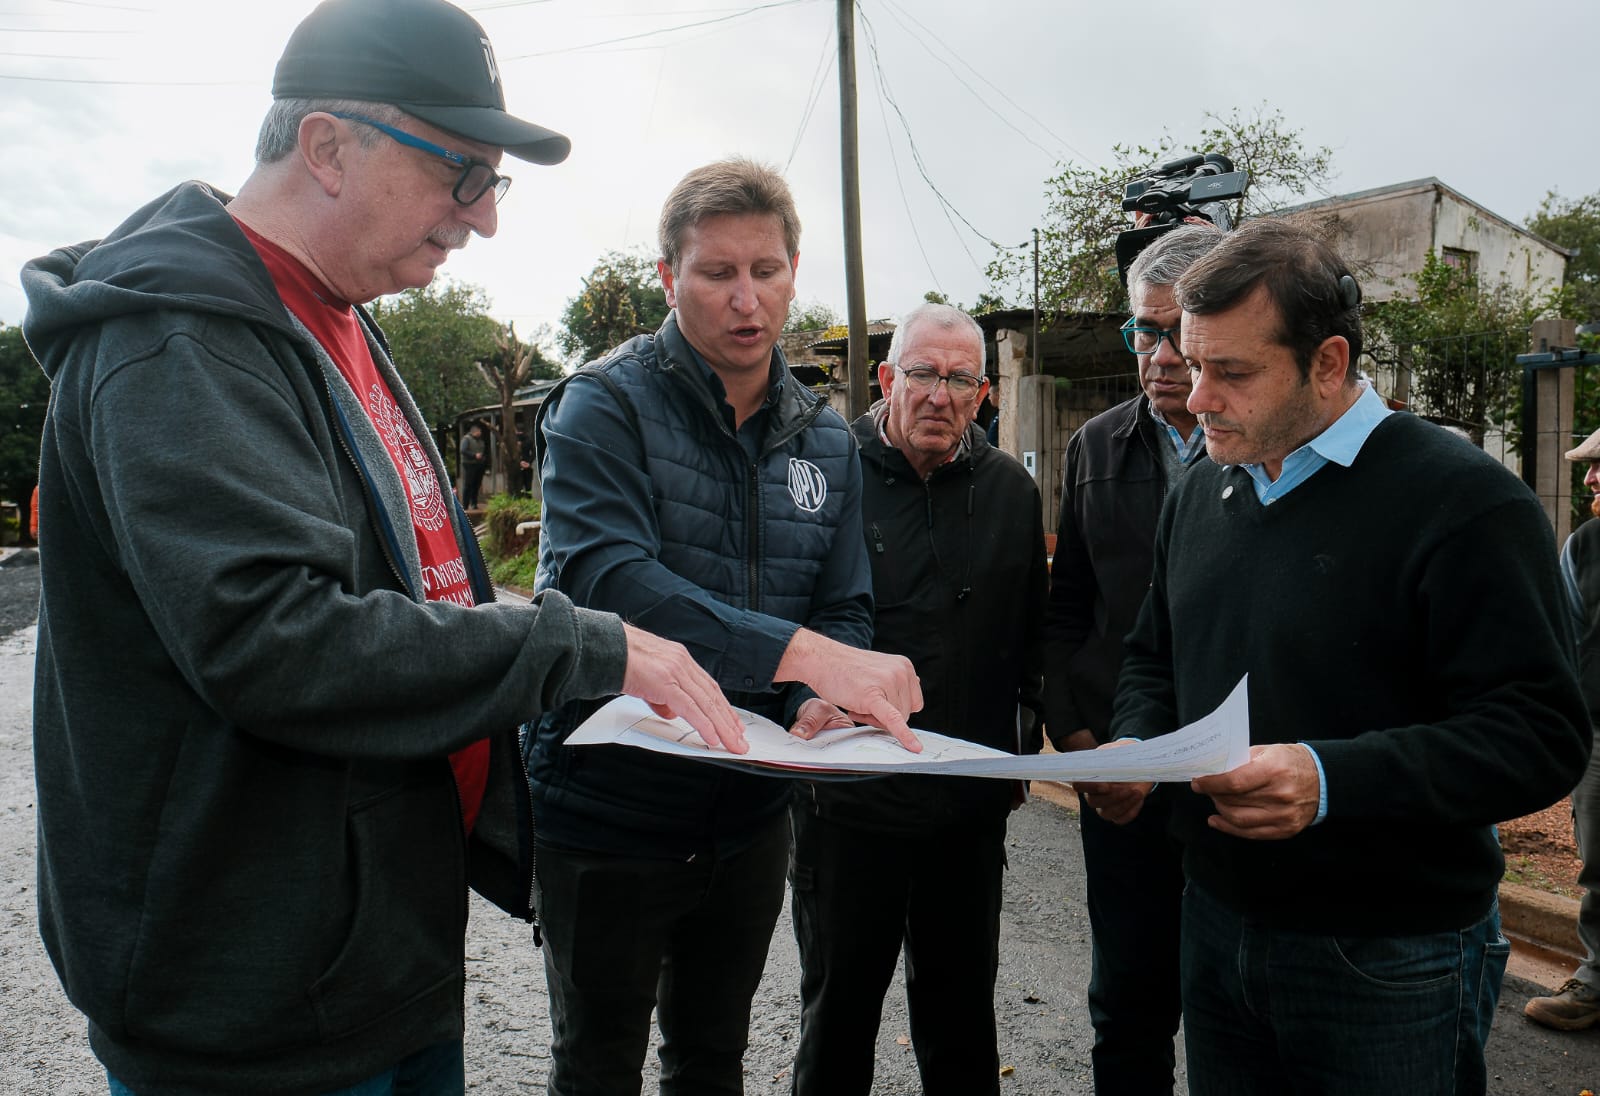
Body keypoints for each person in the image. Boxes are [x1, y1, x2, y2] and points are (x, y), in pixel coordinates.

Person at [18, 2, 744, 1092]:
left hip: (369, 956)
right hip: (250, 1003)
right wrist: (581, 647)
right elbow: (276, 639)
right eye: (463, 172)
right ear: (326, 146)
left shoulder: (338, 314)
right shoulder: (175, 341)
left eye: (495, 181)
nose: (485, 217)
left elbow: (417, 591)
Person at [1080, 217, 1590, 1095]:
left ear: (1328, 362)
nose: (1195, 398)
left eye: (1229, 372)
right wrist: (1137, 742)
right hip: (1216, 922)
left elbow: (1539, 734)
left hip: (1392, 958)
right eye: (1191, 363)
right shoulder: (1205, 486)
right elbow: (1152, 657)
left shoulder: (1464, 501)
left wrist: (1329, 780)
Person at [529, 157, 924, 1096]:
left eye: (767, 270)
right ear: (669, 278)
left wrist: (810, 695)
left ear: (794, 271)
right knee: (596, 1065)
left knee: (711, 1058)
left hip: (748, 814)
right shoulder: (603, 402)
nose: (747, 300)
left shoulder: (825, 435)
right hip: (607, 804)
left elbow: (842, 603)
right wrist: (805, 653)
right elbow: (606, 576)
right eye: (716, 274)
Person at [786, 303, 1046, 1095]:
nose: (939, 394)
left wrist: (1030, 742)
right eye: (923, 374)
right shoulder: (826, 472)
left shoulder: (1009, 489)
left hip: (965, 809)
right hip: (848, 808)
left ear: (984, 391)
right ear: (886, 377)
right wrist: (801, 693)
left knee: (963, 1021)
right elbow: (782, 615)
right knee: (839, 1020)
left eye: (960, 378)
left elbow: (1030, 630)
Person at [1042, 222, 1220, 1095]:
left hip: (1240, 777)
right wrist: (1073, 733)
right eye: (1138, 332)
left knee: (1237, 1005)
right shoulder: (1097, 445)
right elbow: (1068, 605)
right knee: (1128, 1004)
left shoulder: (1271, 445)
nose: (1153, 355)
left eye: (1170, 331)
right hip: (1121, 772)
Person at [1525, 432, 1600, 1030]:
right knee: (1598, 861)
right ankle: (1597, 981)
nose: (1591, 479)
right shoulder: (1586, 546)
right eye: (1591, 466)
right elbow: (1566, 644)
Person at [460, 420, 489, 507]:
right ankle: (465, 504)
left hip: (479, 464)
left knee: (476, 485)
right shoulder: (466, 439)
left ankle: (474, 503)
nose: (480, 433)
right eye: (479, 431)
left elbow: (483, 451)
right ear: (474, 431)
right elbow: (463, 450)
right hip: (469, 464)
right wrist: (474, 455)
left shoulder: (481, 441)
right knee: (468, 484)